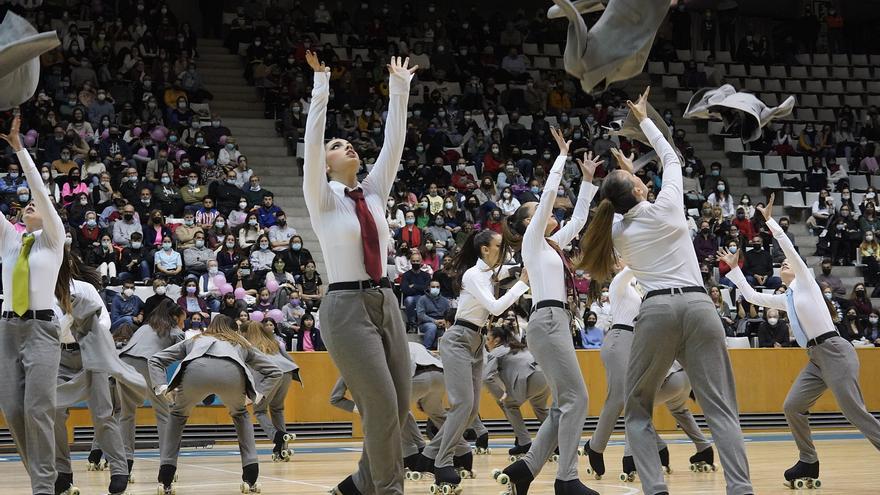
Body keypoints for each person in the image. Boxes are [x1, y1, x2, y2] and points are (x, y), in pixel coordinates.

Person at [577, 88, 753, 495]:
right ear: (639, 190)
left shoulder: (616, 233)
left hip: (655, 312)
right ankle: (741, 489)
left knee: (637, 409)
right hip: (697, 304)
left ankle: (655, 489)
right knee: (721, 409)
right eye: (638, 180)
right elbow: (672, 156)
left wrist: (622, 179)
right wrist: (644, 119)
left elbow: (616, 207)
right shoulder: (669, 207)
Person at [302, 51, 416, 495]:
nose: (346, 146)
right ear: (327, 163)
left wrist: (400, 87)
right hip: (345, 306)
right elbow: (313, 145)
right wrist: (321, 84)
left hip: (386, 300)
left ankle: (355, 487)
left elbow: (395, 143)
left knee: (399, 406)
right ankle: (389, 489)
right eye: (336, 146)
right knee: (381, 406)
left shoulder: (372, 193)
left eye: (348, 143)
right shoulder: (322, 198)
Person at [718, 193, 880, 488]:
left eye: (786, 265)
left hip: (835, 351)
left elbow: (789, 250)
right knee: (792, 406)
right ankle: (808, 461)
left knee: (854, 412)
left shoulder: (806, 281)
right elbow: (753, 296)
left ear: (799, 268)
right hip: (816, 358)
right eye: (780, 265)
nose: (782, 265)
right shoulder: (787, 298)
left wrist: (769, 222)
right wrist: (735, 269)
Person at [495, 127, 599, 495]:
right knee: (578, 398)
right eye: (539, 211)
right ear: (529, 221)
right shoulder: (532, 242)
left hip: (555, 321)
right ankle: (567, 478)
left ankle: (526, 468)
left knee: (563, 405)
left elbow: (581, 219)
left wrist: (586, 181)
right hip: (547, 320)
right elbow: (549, 197)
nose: (549, 211)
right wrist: (561, 158)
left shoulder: (553, 245)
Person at [412, 227, 530, 491]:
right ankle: (442, 463)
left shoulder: (489, 273)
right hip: (458, 339)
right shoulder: (474, 274)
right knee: (463, 404)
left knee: (471, 409)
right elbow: (497, 307)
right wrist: (522, 281)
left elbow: (508, 270)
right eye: (499, 246)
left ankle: (427, 457)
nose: (503, 251)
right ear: (485, 250)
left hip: (477, 342)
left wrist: (523, 266)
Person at [581, 266, 714, 480]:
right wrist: (636, 255)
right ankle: (597, 448)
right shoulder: (618, 285)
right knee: (617, 400)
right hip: (620, 339)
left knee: (634, 402)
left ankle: (652, 448)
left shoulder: (636, 289)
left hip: (635, 342)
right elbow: (632, 267)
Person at [148, 315, 282, 494]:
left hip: (194, 373)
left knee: (177, 416)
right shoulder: (240, 342)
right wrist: (256, 396)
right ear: (233, 329)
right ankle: (251, 476)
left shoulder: (195, 339)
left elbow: (155, 360)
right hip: (232, 374)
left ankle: (166, 476)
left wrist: (162, 387)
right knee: (240, 415)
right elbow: (275, 371)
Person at [52, 253, 147, 495]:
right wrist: (72, 318)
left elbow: (103, 322)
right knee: (53, 413)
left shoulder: (85, 289)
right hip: (57, 356)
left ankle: (119, 469)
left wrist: (76, 324)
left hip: (90, 351)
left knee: (103, 413)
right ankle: (62, 472)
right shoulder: (40, 293)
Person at [484, 324, 549, 459]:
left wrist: (501, 395)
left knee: (509, 405)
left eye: (488, 339)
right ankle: (557, 442)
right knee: (541, 409)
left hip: (531, 378)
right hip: (546, 376)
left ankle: (524, 442)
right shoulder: (518, 346)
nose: (486, 342)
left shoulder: (497, 351)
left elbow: (486, 377)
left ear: (496, 340)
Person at [242, 321, 302, 461]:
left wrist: (254, 392)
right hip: (287, 371)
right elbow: (287, 357)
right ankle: (282, 447)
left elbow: (255, 371)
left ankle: (277, 436)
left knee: (259, 410)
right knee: (277, 408)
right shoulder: (273, 341)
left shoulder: (249, 345)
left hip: (270, 375)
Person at [401, 252, 432, 328]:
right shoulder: (406, 275)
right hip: (410, 297)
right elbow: (405, 290)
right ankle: (412, 323)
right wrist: (420, 288)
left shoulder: (426, 275)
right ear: (411, 262)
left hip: (423, 297)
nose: (415, 263)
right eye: (414, 261)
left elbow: (427, 289)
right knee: (409, 300)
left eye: (417, 261)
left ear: (421, 262)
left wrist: (414, 286)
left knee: (421, 299)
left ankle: (421, 322)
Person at [417, 280, 450, 350]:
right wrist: (434, 321)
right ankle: (426, 350)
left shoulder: (445, 301)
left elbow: (448, 314)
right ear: (429, 288)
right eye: (433, 287)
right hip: (426, 323)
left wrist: (444, 321)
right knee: (432, 327)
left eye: (437, 287)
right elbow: (421, 315)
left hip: (441, 324)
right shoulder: (422, 299)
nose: (435, 288)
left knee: (447, 331)